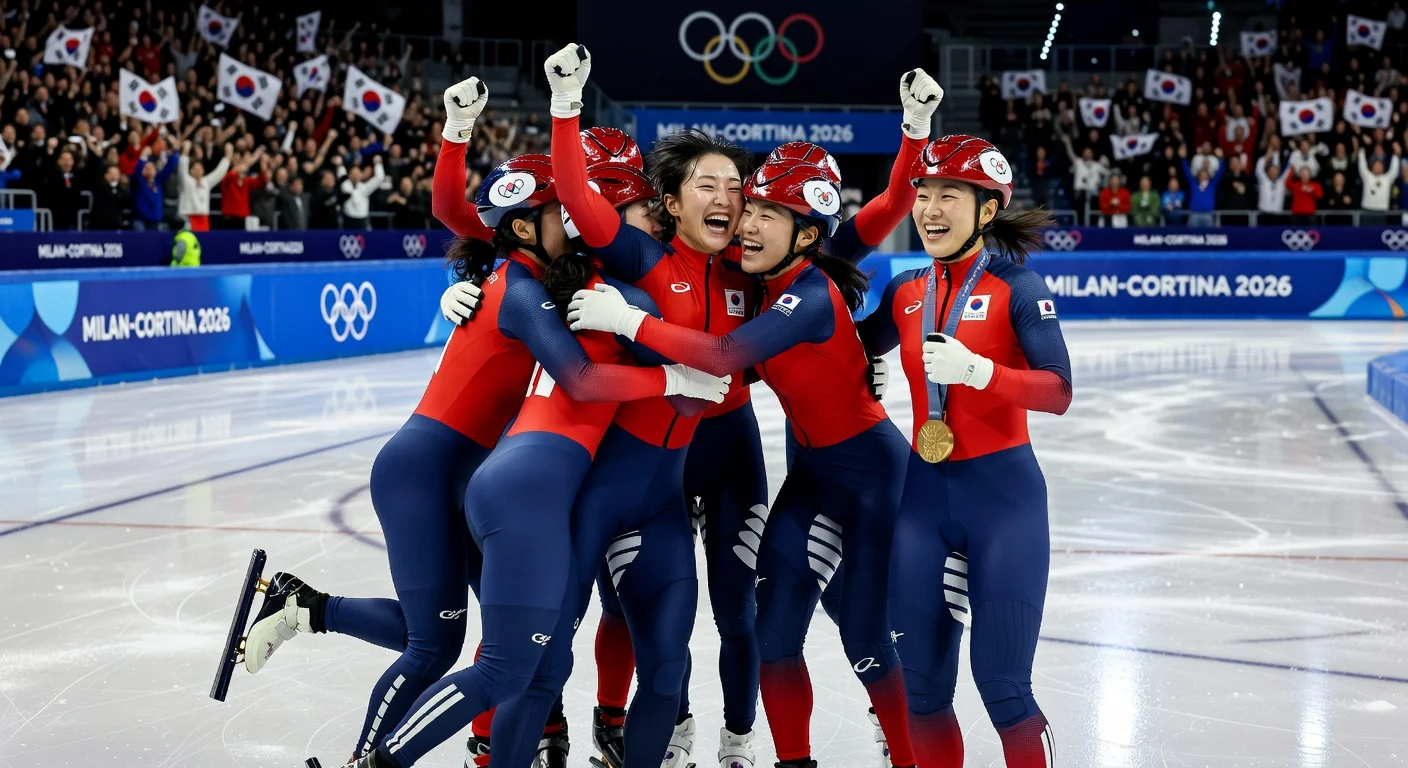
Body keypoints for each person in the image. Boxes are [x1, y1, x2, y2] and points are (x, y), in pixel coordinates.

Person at [236, 79, 727, 767]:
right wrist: (676, 372)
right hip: (459, 472)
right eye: (628, 203)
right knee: (484, 655)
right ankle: (377, 759)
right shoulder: (538, 285)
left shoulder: (554, 277)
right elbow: (588, 373)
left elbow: (472, 222)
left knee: (460, 640)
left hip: (482, 473)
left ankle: (311, 611)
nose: (641, 216)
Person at [567, 150, 921, 768]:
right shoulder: (754, 269)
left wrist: (631, 322)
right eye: (746, 206)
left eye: (759, 207)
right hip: (803, 476)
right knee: (775, 635)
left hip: (869, 479)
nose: (746, 221)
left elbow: (730, 352)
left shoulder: (800, 289)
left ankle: (904, 745)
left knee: (859, 634)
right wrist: (484, 274)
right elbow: (582, 223)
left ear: (806, 234)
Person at [857, 134, 1072, 768]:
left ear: (986, 210)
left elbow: (1058, 390)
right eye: (923, 195)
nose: (929, 209)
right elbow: (843, 346)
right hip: (924, 505)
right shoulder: (905, 292)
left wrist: (982, 373)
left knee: (1004, 691)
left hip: (1004, 504)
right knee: (921, 692)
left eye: (948, 194)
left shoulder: (1018, 287)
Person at [176, 140, 231, 232]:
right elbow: (182, 169)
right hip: (188, 218)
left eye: (200, 168)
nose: (198, 170)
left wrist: (228, 156)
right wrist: (185, 152)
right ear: (191, 171)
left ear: (203, 171)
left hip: (203, 219)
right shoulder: (186, 181)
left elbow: (219, 173)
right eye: (195, 168)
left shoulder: (206, 182)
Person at [130, 146, 179, 231]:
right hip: (141, 222)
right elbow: (136, 173)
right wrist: (143, 157)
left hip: (155, 221)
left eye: (151, 168)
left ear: (156, 170)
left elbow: (169, 168)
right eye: (146, 167)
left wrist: (174, 153)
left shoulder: (158, 182)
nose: (149, 169)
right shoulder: (139, 182)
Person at [341, 157, 386, 230]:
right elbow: (354, 197)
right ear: (349, 175)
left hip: (362, 220)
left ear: (360, 175)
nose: (356, 175)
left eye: (358, 173)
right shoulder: (345, 185)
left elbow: (379, 178)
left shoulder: (364, 187)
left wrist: (378, 164)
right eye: (353, 173)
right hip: (348, 220)